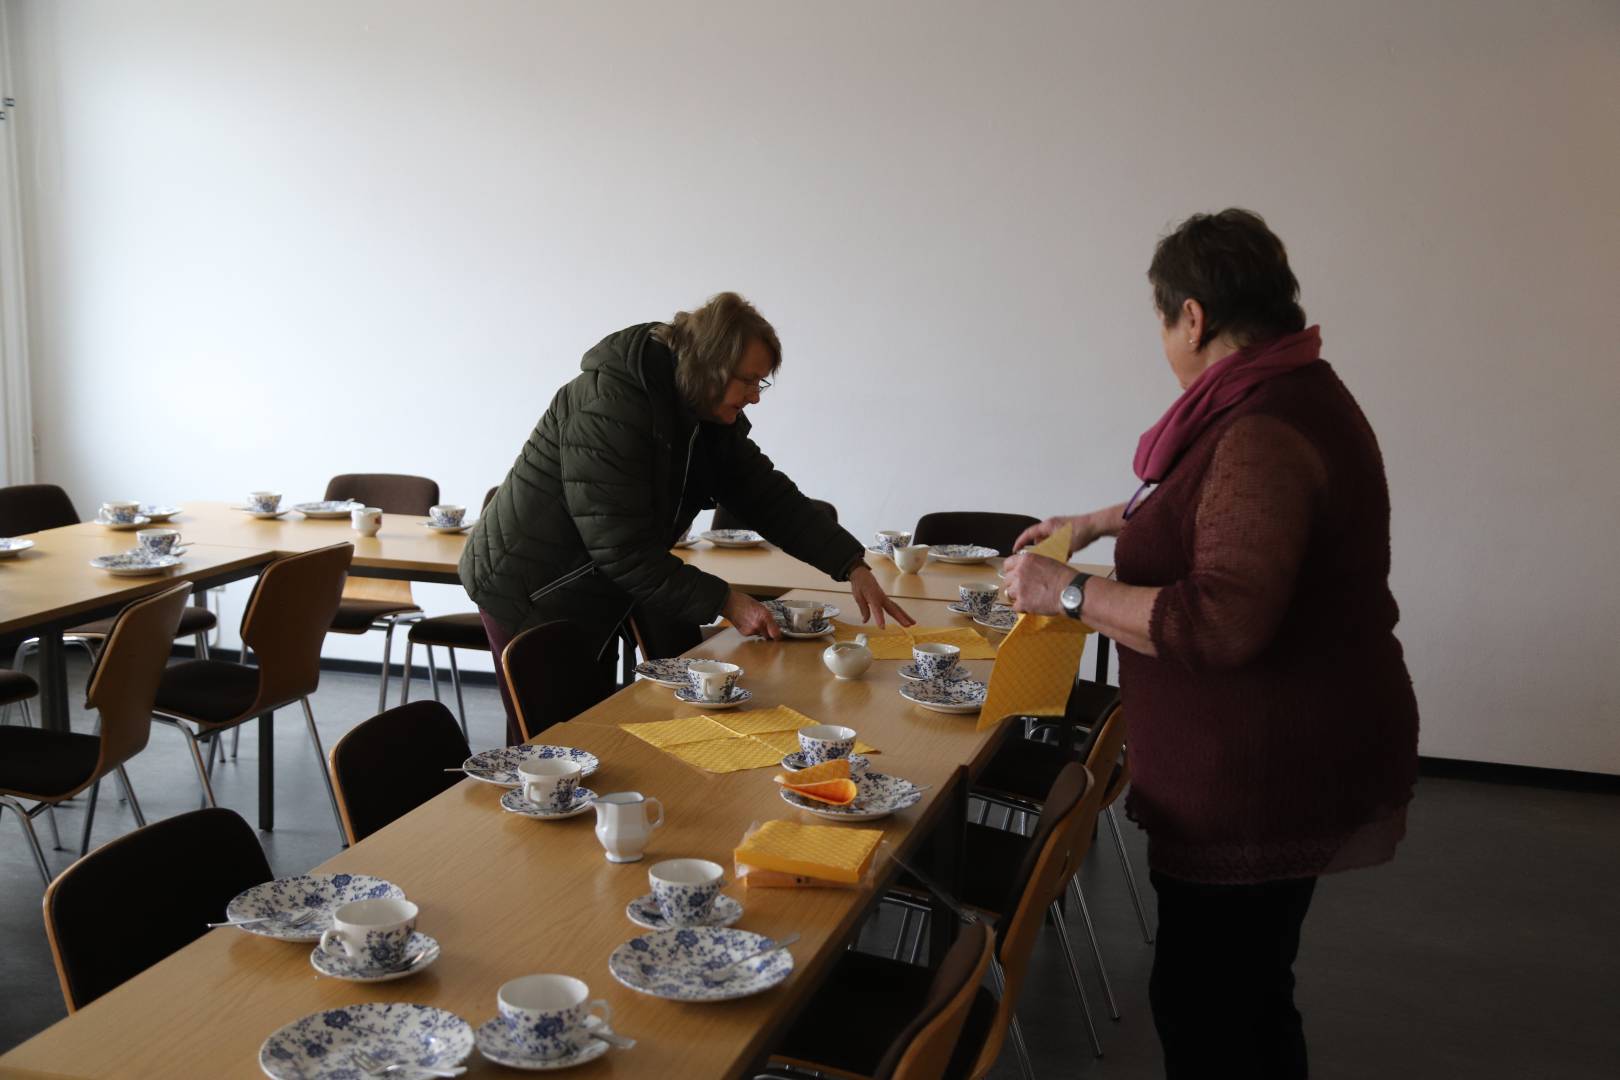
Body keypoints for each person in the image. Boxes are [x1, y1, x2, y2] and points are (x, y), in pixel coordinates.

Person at [1001, 209, 1418, 1079]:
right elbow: (1194, 500)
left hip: (1260, 775)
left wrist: (1067, 592)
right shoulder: (1274, 393)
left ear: (1192, 317)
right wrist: (1093, 523)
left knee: (1217, 1008)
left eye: (1160, 320)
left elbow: (1221, 619)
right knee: (1243, 994)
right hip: (1270, 759)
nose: (1162, 338)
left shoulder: (1262, 427)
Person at [462, 292, 913, 743]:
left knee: (587, 737)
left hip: (594, 585)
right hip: (530, 582)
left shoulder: (701, 412)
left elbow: (769, 497)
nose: (756, 397)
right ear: (712, 367)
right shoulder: (611, 404)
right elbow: (621, 549)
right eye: (750, 381)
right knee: (552, 744)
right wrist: (727, 601)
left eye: (763, 383)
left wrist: (850, 564)